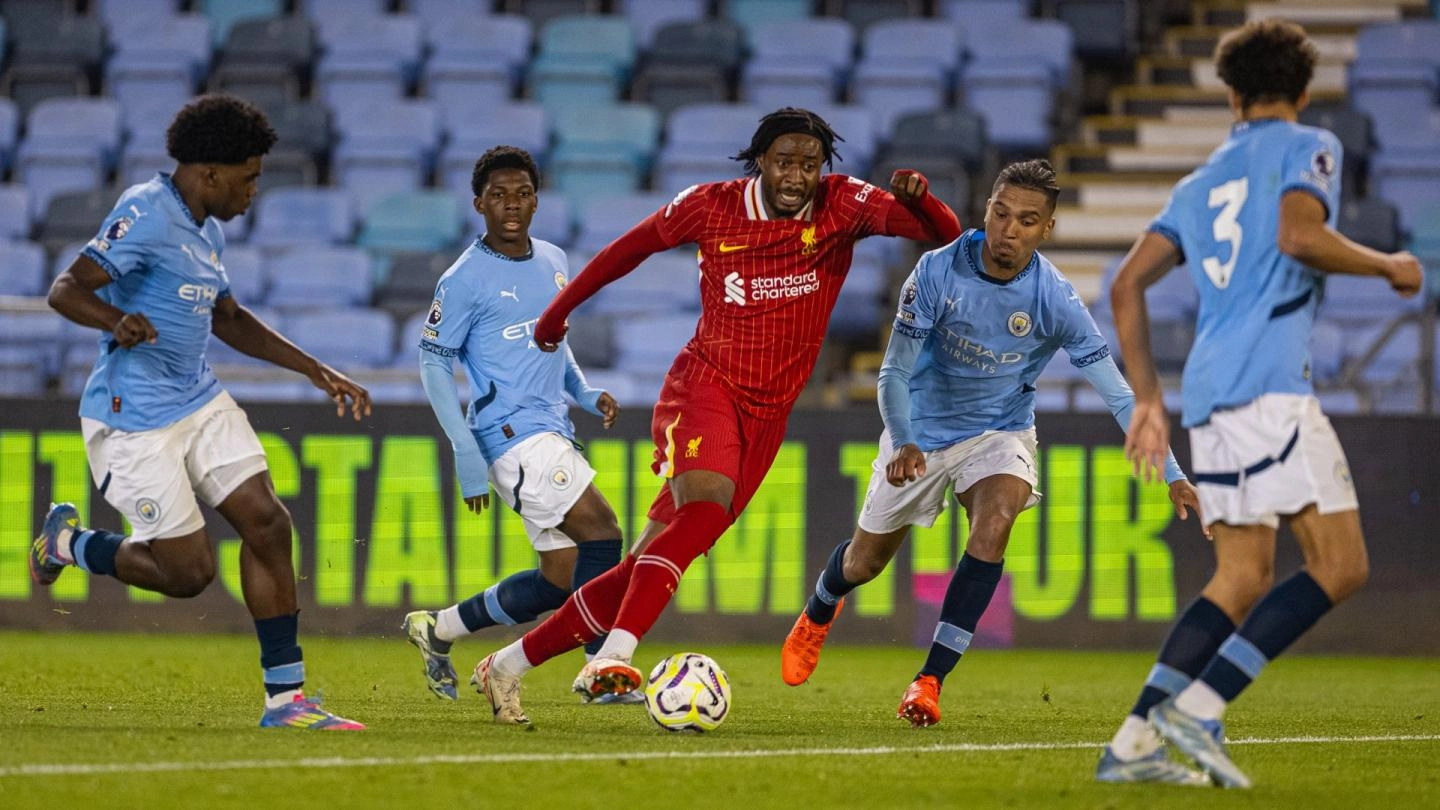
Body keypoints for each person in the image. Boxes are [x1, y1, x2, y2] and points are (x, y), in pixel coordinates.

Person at [467, 107, 963, 724]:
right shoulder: (712, 206)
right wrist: (555, 314)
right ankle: (612, 657)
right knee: (702, 510)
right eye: (784, 162)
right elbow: (627, 250)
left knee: (639, 570)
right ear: (760, 161)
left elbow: (945, 233)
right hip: (706, 386)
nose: (796, 176)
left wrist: (922, 198)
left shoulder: (842, 204)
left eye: (809, 164)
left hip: (769, 416)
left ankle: (505, 665)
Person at [1096, 20, 1423, 788]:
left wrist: (1148, 400)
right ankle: (1202, 706)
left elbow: (1126, 284)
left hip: (1210, 393)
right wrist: (1389, 266)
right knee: (1340, 564)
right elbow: (1299, 236)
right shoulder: (1312, 146)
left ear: (1232, 97)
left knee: (1242, 576)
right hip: (1272, 388)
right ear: (1303, 92)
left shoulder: (1198, 182)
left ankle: (1133, 743)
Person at [779, 160, 1204, 750]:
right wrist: (903, 438)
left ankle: (929, 681)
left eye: (1027, 221)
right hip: (918, 431)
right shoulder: (936, 270)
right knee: (864, 563)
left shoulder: (1054, 299)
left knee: (996, 521)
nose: (1009, 229)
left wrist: (1173, 472)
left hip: (999, 432)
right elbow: (894, 370)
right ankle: (821, 607)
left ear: (1047, 228)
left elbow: (1117, 391)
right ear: (987, 210)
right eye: (1001, 214)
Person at [31, 94, 374, 729]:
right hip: (132, 414)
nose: (253, 192)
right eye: (249, 178)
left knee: (268, 523)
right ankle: (69, 543)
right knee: (187, 574)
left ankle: (287, 701)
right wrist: (115, 319)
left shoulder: (207, 230)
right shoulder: (146, 211)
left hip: (198, 398)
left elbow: (229, 318)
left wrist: (314, 369)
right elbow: (65, 289)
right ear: (210, 174)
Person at [401, 146, 631, 705]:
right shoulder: (463, 279)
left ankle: (440, 628)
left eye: (522, 194)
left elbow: (554, 338)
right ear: (478, 203)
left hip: (551, 426)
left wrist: (582, 391)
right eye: (498, 195)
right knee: (603, 531)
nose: (511, 204)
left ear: (536, 201)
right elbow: (433, 362)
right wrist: (464, 450)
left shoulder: (553, 259)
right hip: (509, 434)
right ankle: (600, 668)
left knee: (560, 577)